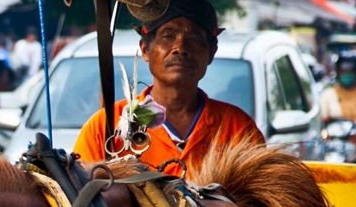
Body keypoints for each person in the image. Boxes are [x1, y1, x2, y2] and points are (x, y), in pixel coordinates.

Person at [73, 0, 264, 176]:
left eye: (194, 38)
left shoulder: (238, 129)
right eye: (168, 36)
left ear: (211, 52)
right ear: (145, 50)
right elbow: (78, 194)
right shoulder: (104, 127)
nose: (180, 48)